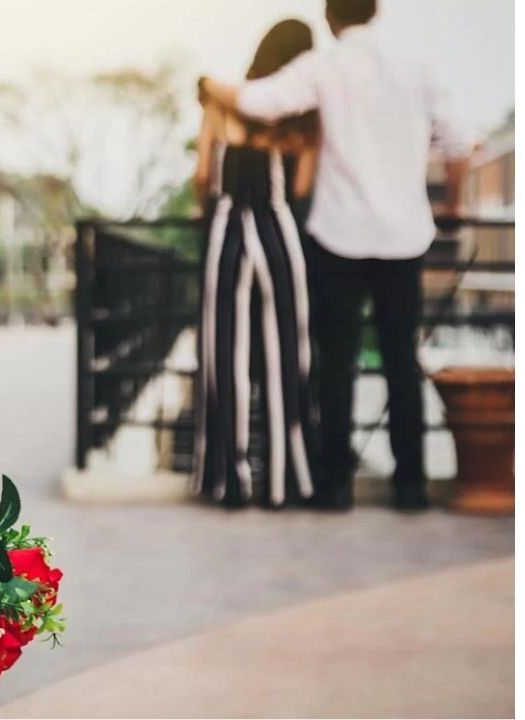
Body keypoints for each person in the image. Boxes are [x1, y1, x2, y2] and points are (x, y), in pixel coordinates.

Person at [201, 0, 474, 512]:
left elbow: (261, 101)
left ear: (330, 18)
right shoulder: (417, 65)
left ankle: (333, 486)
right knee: (401, 360)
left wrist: (208, 86)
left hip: (339, 236)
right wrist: (453, 203)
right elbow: (461, 141)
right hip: (403, 236)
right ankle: (410, 486)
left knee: (336, 362)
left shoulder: (324, 66)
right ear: (377, 11)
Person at [192, 19, 319, 508]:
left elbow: (203, 174)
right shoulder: (305, 115)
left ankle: (230, 479)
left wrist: (209, 205)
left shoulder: (223, 101)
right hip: (277, 228)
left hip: (227, 225)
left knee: (225, 350)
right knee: (289, 349)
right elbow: (303, 187)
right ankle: (287, 479)